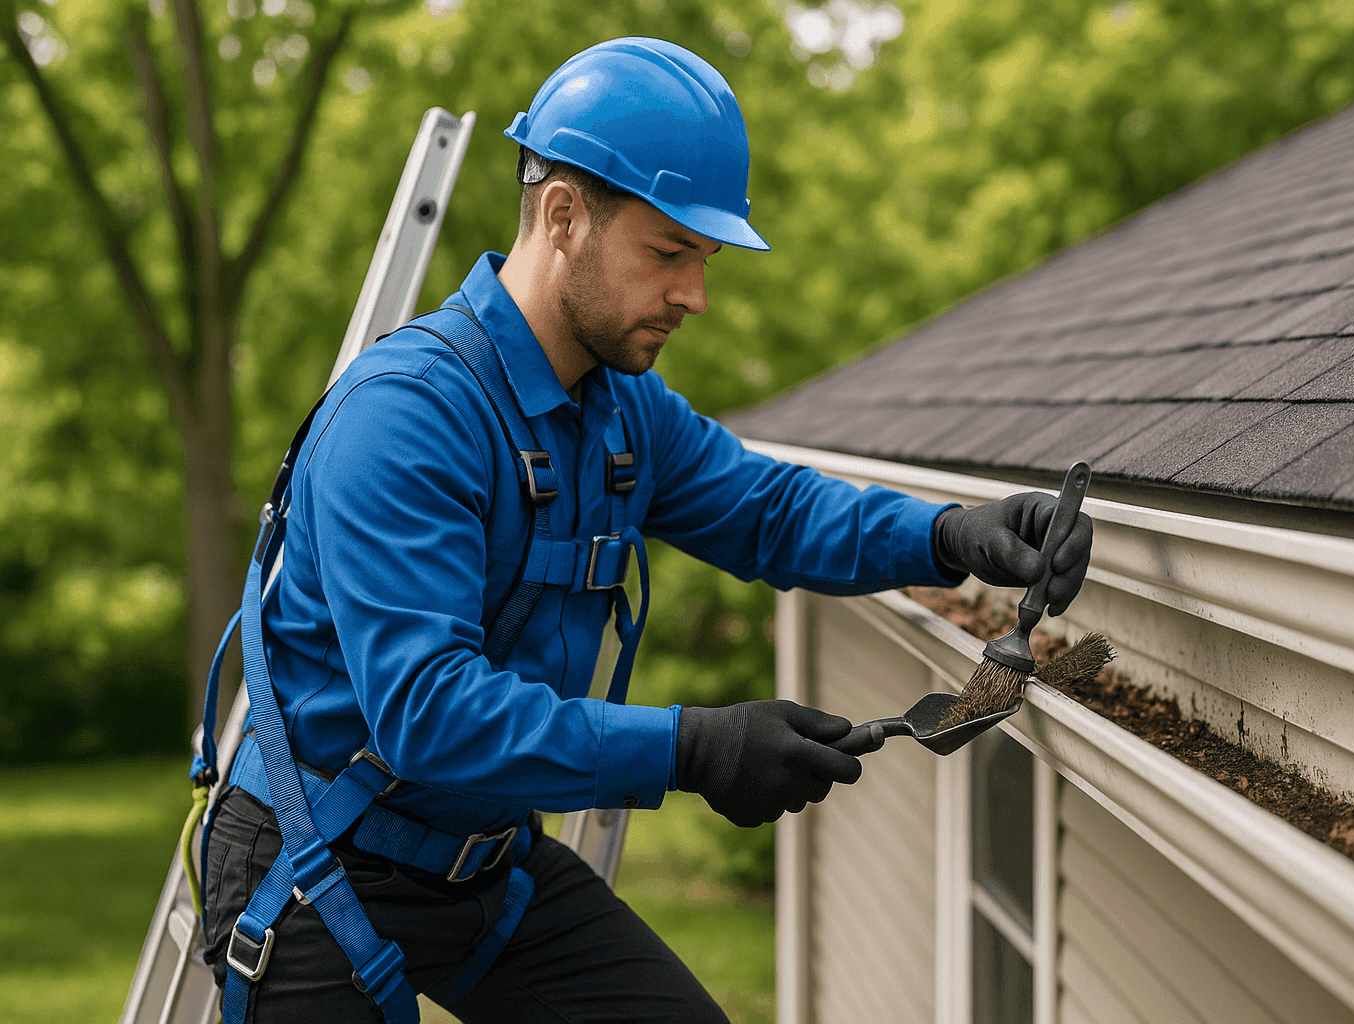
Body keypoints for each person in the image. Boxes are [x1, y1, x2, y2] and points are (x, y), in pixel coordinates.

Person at [197, 37, 1093, 1024]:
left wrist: (953, 537)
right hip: (320, 859)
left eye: (703, 262)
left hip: (484, 860)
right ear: (563, 216)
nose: (695, 297)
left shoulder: (623, 410)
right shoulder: (410, 415)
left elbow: (771, 510)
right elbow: (431, 712)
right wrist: (690, 749)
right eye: (669, 254)